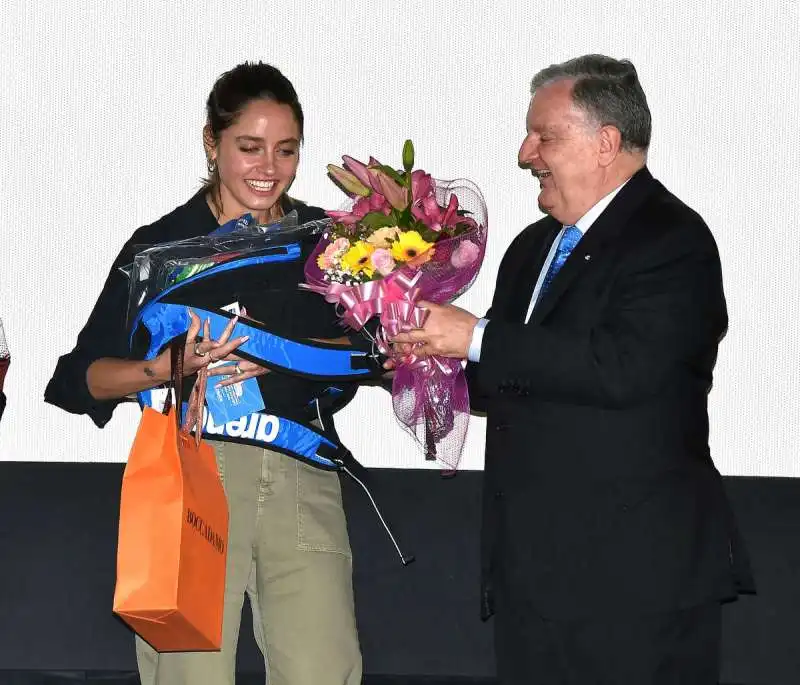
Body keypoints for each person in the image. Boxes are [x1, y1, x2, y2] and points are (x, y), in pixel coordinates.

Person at [392, 54, 753, 684]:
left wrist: (477, 336)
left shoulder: (673, 239)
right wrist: (429, 358)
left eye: (544, 136)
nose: (525, 152)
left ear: (606, 143)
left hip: (636, 581)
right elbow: (499, 381)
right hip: (535, 578)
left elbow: (625, 367)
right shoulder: (534, 247)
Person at [46, 62, 363, 685]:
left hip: (302, 475)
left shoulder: (328, 242)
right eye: (249, 147)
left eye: (286, 149)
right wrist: (164, 368)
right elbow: (75, 380)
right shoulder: (162, 250)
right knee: (191, 676)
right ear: (212, 143)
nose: (268, 166)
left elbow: (357, 364)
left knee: (325, 671)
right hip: (194, 476)